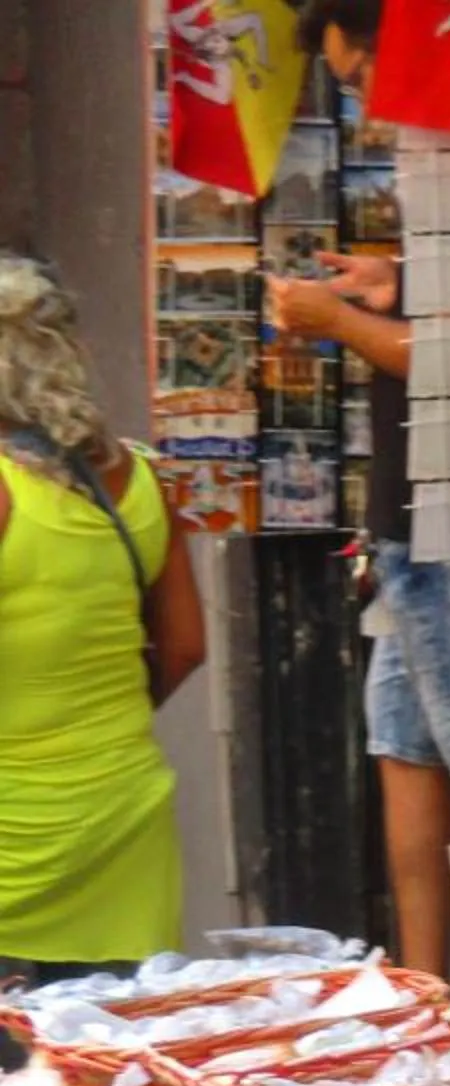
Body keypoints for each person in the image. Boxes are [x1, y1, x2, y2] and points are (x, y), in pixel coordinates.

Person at [275, 0, 450, 982]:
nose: (362, 111)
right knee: (406, 749)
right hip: (406, 524)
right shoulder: (441, 177)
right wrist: (393, 278)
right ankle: (426, 986)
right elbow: (447, 309)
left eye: (355, 78)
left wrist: (340, 321)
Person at [0, 255, 207, 984]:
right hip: (125, 823)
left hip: (12, 847)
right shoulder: (145, 479)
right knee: (108, 1083)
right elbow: (184, 646)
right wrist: (102, 727)